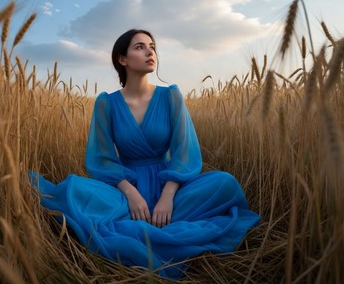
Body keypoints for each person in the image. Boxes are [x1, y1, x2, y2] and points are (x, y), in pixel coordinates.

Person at [30, 29, 260, 278]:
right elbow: (101, 158)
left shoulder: (170, 96)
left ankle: (154, 221)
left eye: (152, 46)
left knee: (224, 183)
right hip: (126, 186)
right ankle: (146, 222)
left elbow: (185, 151)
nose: (150, 51)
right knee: (74, 188)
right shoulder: (106, 103)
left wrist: (168, 196)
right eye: (139, 47)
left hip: (169, 183)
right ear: (122, 59)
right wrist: (131, 194)